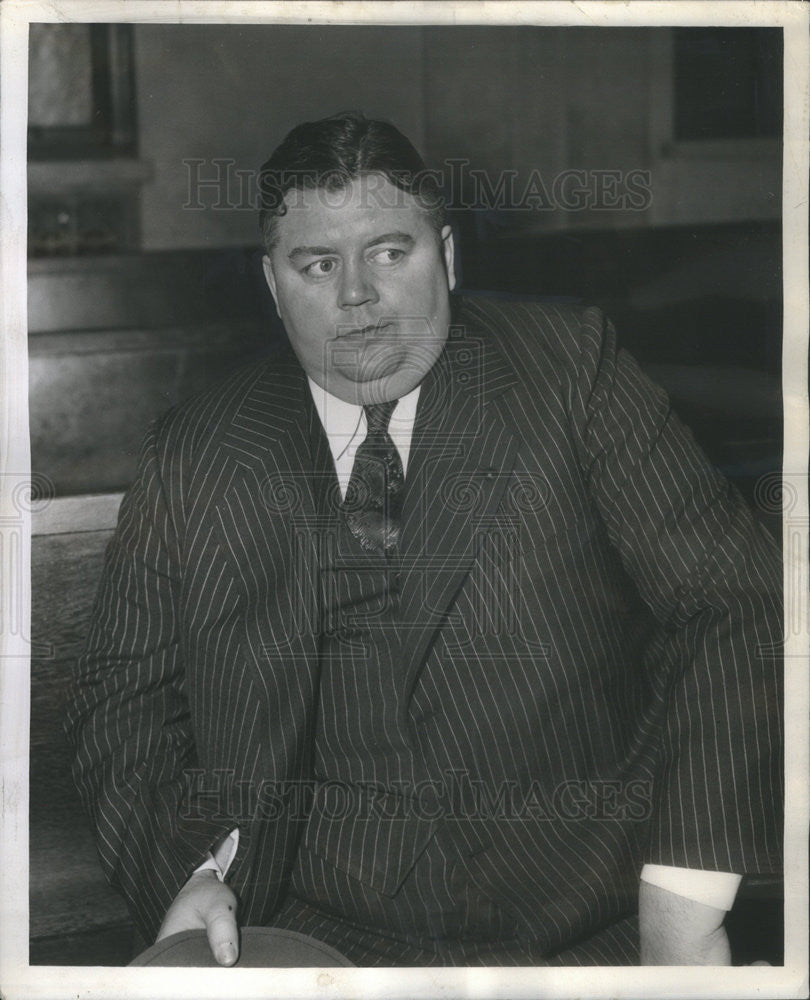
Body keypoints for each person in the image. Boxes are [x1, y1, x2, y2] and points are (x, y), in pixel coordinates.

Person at [66, 112, 782, 967]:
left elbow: (738, 604)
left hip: (595, 928)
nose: (356, 294)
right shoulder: (198, 449)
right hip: (309, 938)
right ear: (271, 282)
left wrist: (685, 895)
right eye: (319, 263)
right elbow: (123, 701)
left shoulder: (567, 372)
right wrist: (183, 873)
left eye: (389, 252)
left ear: (447, 255)